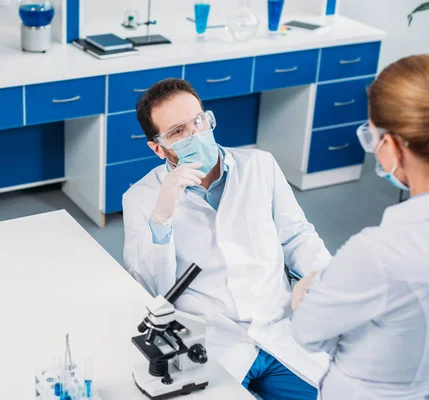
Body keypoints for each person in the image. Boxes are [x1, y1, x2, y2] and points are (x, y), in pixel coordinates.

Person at [122, 78, 331, 400]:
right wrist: (160, 221)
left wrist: (328, 279)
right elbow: (150, 288)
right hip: (212, 340)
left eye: (198, 121)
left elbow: (296, 236)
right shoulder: (141, 198)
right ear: (157, 147)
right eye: (178, 132)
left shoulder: (260, 166)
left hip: (277, 325)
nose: (195, 135)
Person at [291, 54, 429, 399]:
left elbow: (309, 333)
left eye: (372, 137)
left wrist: (310, 290)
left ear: (393, 146)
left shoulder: (378, 252)